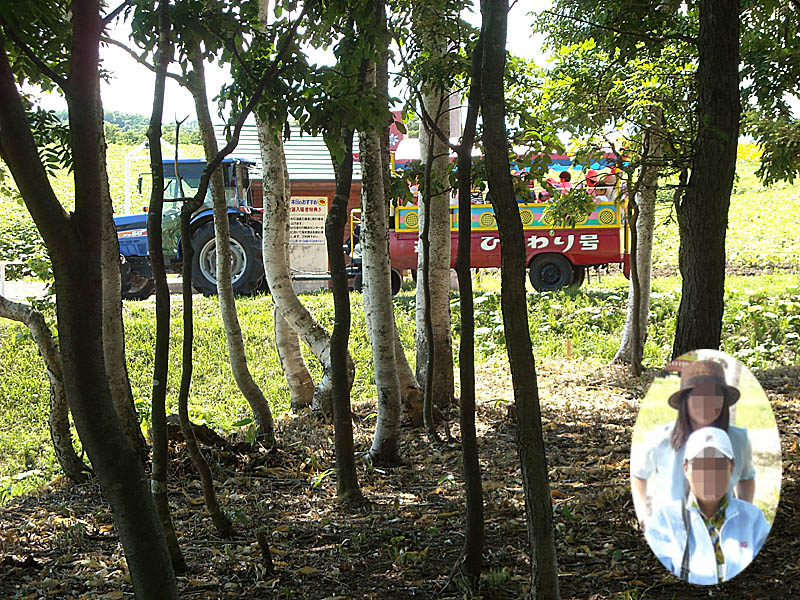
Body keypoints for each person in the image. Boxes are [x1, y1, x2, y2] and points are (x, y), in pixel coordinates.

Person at [631, 360, 755, 529]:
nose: (706, 402)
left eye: (714, 395)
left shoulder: (738, 439)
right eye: (698, 395)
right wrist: (644, 517)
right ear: (685, 401)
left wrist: (744, 515)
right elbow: (639, 475)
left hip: (721, 528)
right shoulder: (660, 438)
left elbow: (746, 477)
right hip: (670, 529)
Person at [645, 427, 770, 584]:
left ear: (731, 467)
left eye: (718, 464)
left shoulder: (753, 520)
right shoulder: (664, 523)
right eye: (699, 464)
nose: (709, 473)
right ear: (685, 468)